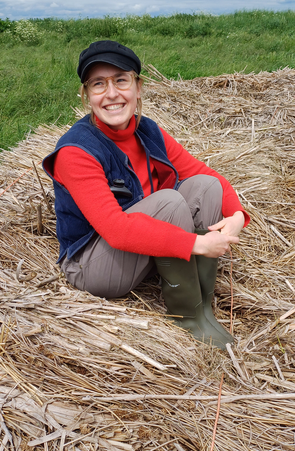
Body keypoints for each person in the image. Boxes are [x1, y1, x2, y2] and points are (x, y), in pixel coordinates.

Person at [43, 40, 250, 349]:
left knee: (207, 188)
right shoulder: (76, 151)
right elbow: (116, 229)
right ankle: (187, 319)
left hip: (140, 248)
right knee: (169, 201)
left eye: (121, 80)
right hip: (92, 265)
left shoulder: (147, 130)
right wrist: (199, 243)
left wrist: (236, 216)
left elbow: (204, 173)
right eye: (99, 84)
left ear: (138, 88)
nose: (112, 94)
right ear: (86, 96)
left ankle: (203, 305)